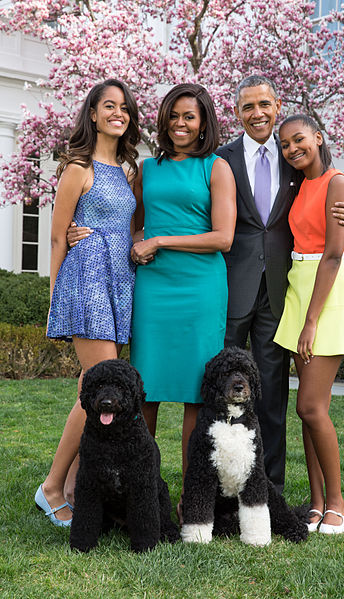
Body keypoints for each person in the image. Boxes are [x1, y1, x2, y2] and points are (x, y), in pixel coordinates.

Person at [216, 75, 344, 494]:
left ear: (277, 106)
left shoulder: (293, 155)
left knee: (272, 395)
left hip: (283, 293)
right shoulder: (221, 159)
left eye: (264, 104)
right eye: (247, 107)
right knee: (219, 388)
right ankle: (221, 485)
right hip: (231, 287)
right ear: (238, 113)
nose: (257, 113)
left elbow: (327, 195)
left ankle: (269, 489)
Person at [35, 79, 140, 526]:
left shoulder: (129, 170)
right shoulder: (77, 167)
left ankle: (75, 485)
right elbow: (58, 235)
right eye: (108, 106)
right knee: (96, 385)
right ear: (93, 114)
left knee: (92, 385)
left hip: (120, 279)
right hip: (87, 278)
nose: (118, 113)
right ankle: (53, 487)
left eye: (124, 107)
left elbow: (128, 226)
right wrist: (57, 295)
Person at [130, 83, 236, 522]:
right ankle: (140, 502)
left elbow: (223, 238)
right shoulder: (145, 169)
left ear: (204, 122)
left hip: (200, 289)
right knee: (143, 393)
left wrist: (161, 239)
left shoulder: (217, 168)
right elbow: (132, 225)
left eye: (189, 116)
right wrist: (138, 241)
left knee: (198, 396)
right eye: (173, 115)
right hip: (154, 289)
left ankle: (192, 505)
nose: (180, 124)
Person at [274, 114, 344, 533]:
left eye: (299, 140)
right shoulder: (298, 184)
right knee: (310, 411)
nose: (292, 149)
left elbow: (333, 254)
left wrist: (311, 321)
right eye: (284, 145)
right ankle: (315, 503)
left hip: (325, 293)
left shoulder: (336, 180)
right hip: (298, 287)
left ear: (318, 137)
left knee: (309, 406)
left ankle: (337, 503)